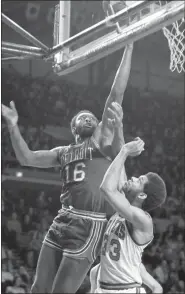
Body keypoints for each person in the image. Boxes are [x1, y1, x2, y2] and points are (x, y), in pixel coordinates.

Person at [2, 44, 133, 293]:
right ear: (74, 129)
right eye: (82, 116)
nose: (88, 118)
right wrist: (12, 126)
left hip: (89, 222)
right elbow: (27, 158)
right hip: (63, 218)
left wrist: (128, 45)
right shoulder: (62, 152)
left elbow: (116, 93)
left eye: (92, 118)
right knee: (38, 288)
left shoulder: (101, 142)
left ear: (98, 127)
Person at [90, 108, 166, 293]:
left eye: (139, 180)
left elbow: (106, 188)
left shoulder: (143, 220)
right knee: (94, 272)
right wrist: (119, 126)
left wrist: (125, 150)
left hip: (124, 290)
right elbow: (119, 156)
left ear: (142, 195)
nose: (132, 178)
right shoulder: (125, 203)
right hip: (106, 287)